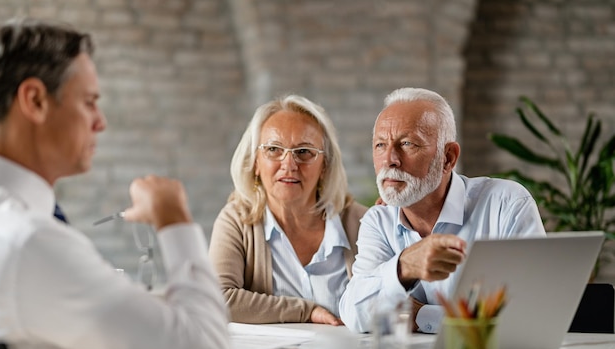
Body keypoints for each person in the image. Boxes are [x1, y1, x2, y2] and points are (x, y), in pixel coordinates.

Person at [0, 18, 231, 349]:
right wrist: (173, 217)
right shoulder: (28, 240)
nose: (100, 123)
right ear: (34, 100)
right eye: (88, 103)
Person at [339, 87, 546, 334]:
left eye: (407, 143)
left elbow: (532, 311)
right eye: (380, 145)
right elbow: (355, 313)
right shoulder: (378, 221)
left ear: (448, 157)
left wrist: (423, 316)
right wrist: (404, 267)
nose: (390, 159)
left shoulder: (506, 205)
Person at [209, 94, 367, 325]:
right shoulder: (236, 220)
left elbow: (396, 300)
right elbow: (216, 300)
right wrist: (305, 311)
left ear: (324, 166)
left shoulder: (362, 222)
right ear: (255, 162)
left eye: (304, 152)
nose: (289, 165)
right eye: (273, 149)